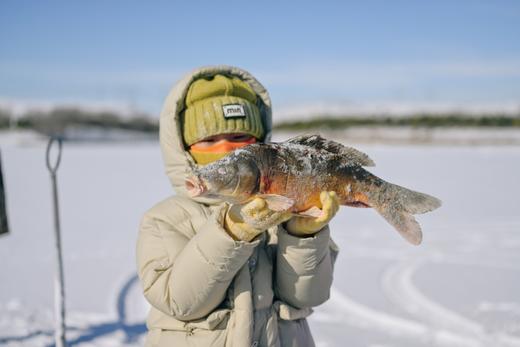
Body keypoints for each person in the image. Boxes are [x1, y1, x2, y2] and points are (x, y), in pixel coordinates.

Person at [137, 65, 339, 347]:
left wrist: (303, 236)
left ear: (261, 147)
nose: (226, 150)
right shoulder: (164, 219)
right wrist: (231, 231)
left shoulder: (285, 211)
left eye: (239, 139)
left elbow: (309, 295)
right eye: (209, 140)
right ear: (183, 146)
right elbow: (180, 301)